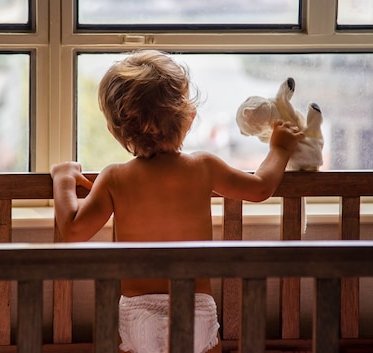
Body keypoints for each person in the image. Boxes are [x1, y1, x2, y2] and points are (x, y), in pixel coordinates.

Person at [50, 49, 304, 353]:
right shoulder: (204, 167)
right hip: (195, 309)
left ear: (114, 130)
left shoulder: (114, 178)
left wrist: (63, 178)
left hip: (137, 312)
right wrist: (280, 149)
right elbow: (261, 188)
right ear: (188, 118)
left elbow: (73, 230)